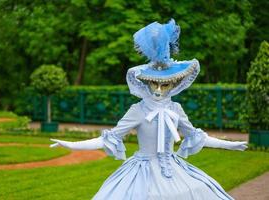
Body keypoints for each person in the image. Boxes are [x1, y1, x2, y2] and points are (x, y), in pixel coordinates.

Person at [50, 19, 247, 200]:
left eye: (165, 84)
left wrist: (230, 145)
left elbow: (196, 137)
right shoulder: (138, 110)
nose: (159, 89)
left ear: (174, 84)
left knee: (196, 190)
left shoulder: (176, 109)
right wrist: (70, 145)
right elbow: (108, 139)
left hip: (173, 168)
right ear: (146, 83)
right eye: (154, 83)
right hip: (142, 171)